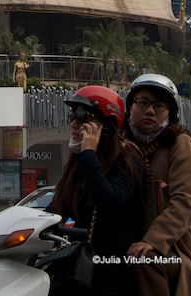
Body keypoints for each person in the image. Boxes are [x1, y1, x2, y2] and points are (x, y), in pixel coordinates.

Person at [124, 73, 191, 296]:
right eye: (142, 102)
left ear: (169, 113)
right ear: (130, 106)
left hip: (177, 245)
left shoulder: (178, 142)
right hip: (127, 238)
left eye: (159, 105)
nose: (150, 110)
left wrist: (153, 241)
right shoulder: (121, 145)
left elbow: (185, 201)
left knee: (144, 261)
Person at [50, 85, 143, 296]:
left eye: (82, 117)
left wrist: (89, 154)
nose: (74, 123)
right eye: (72, 116)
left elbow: (109, 203)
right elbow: (58, 205)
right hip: (81, 262)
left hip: (112, 267)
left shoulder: (127, 161)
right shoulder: (80, 161)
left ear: (106, 125)